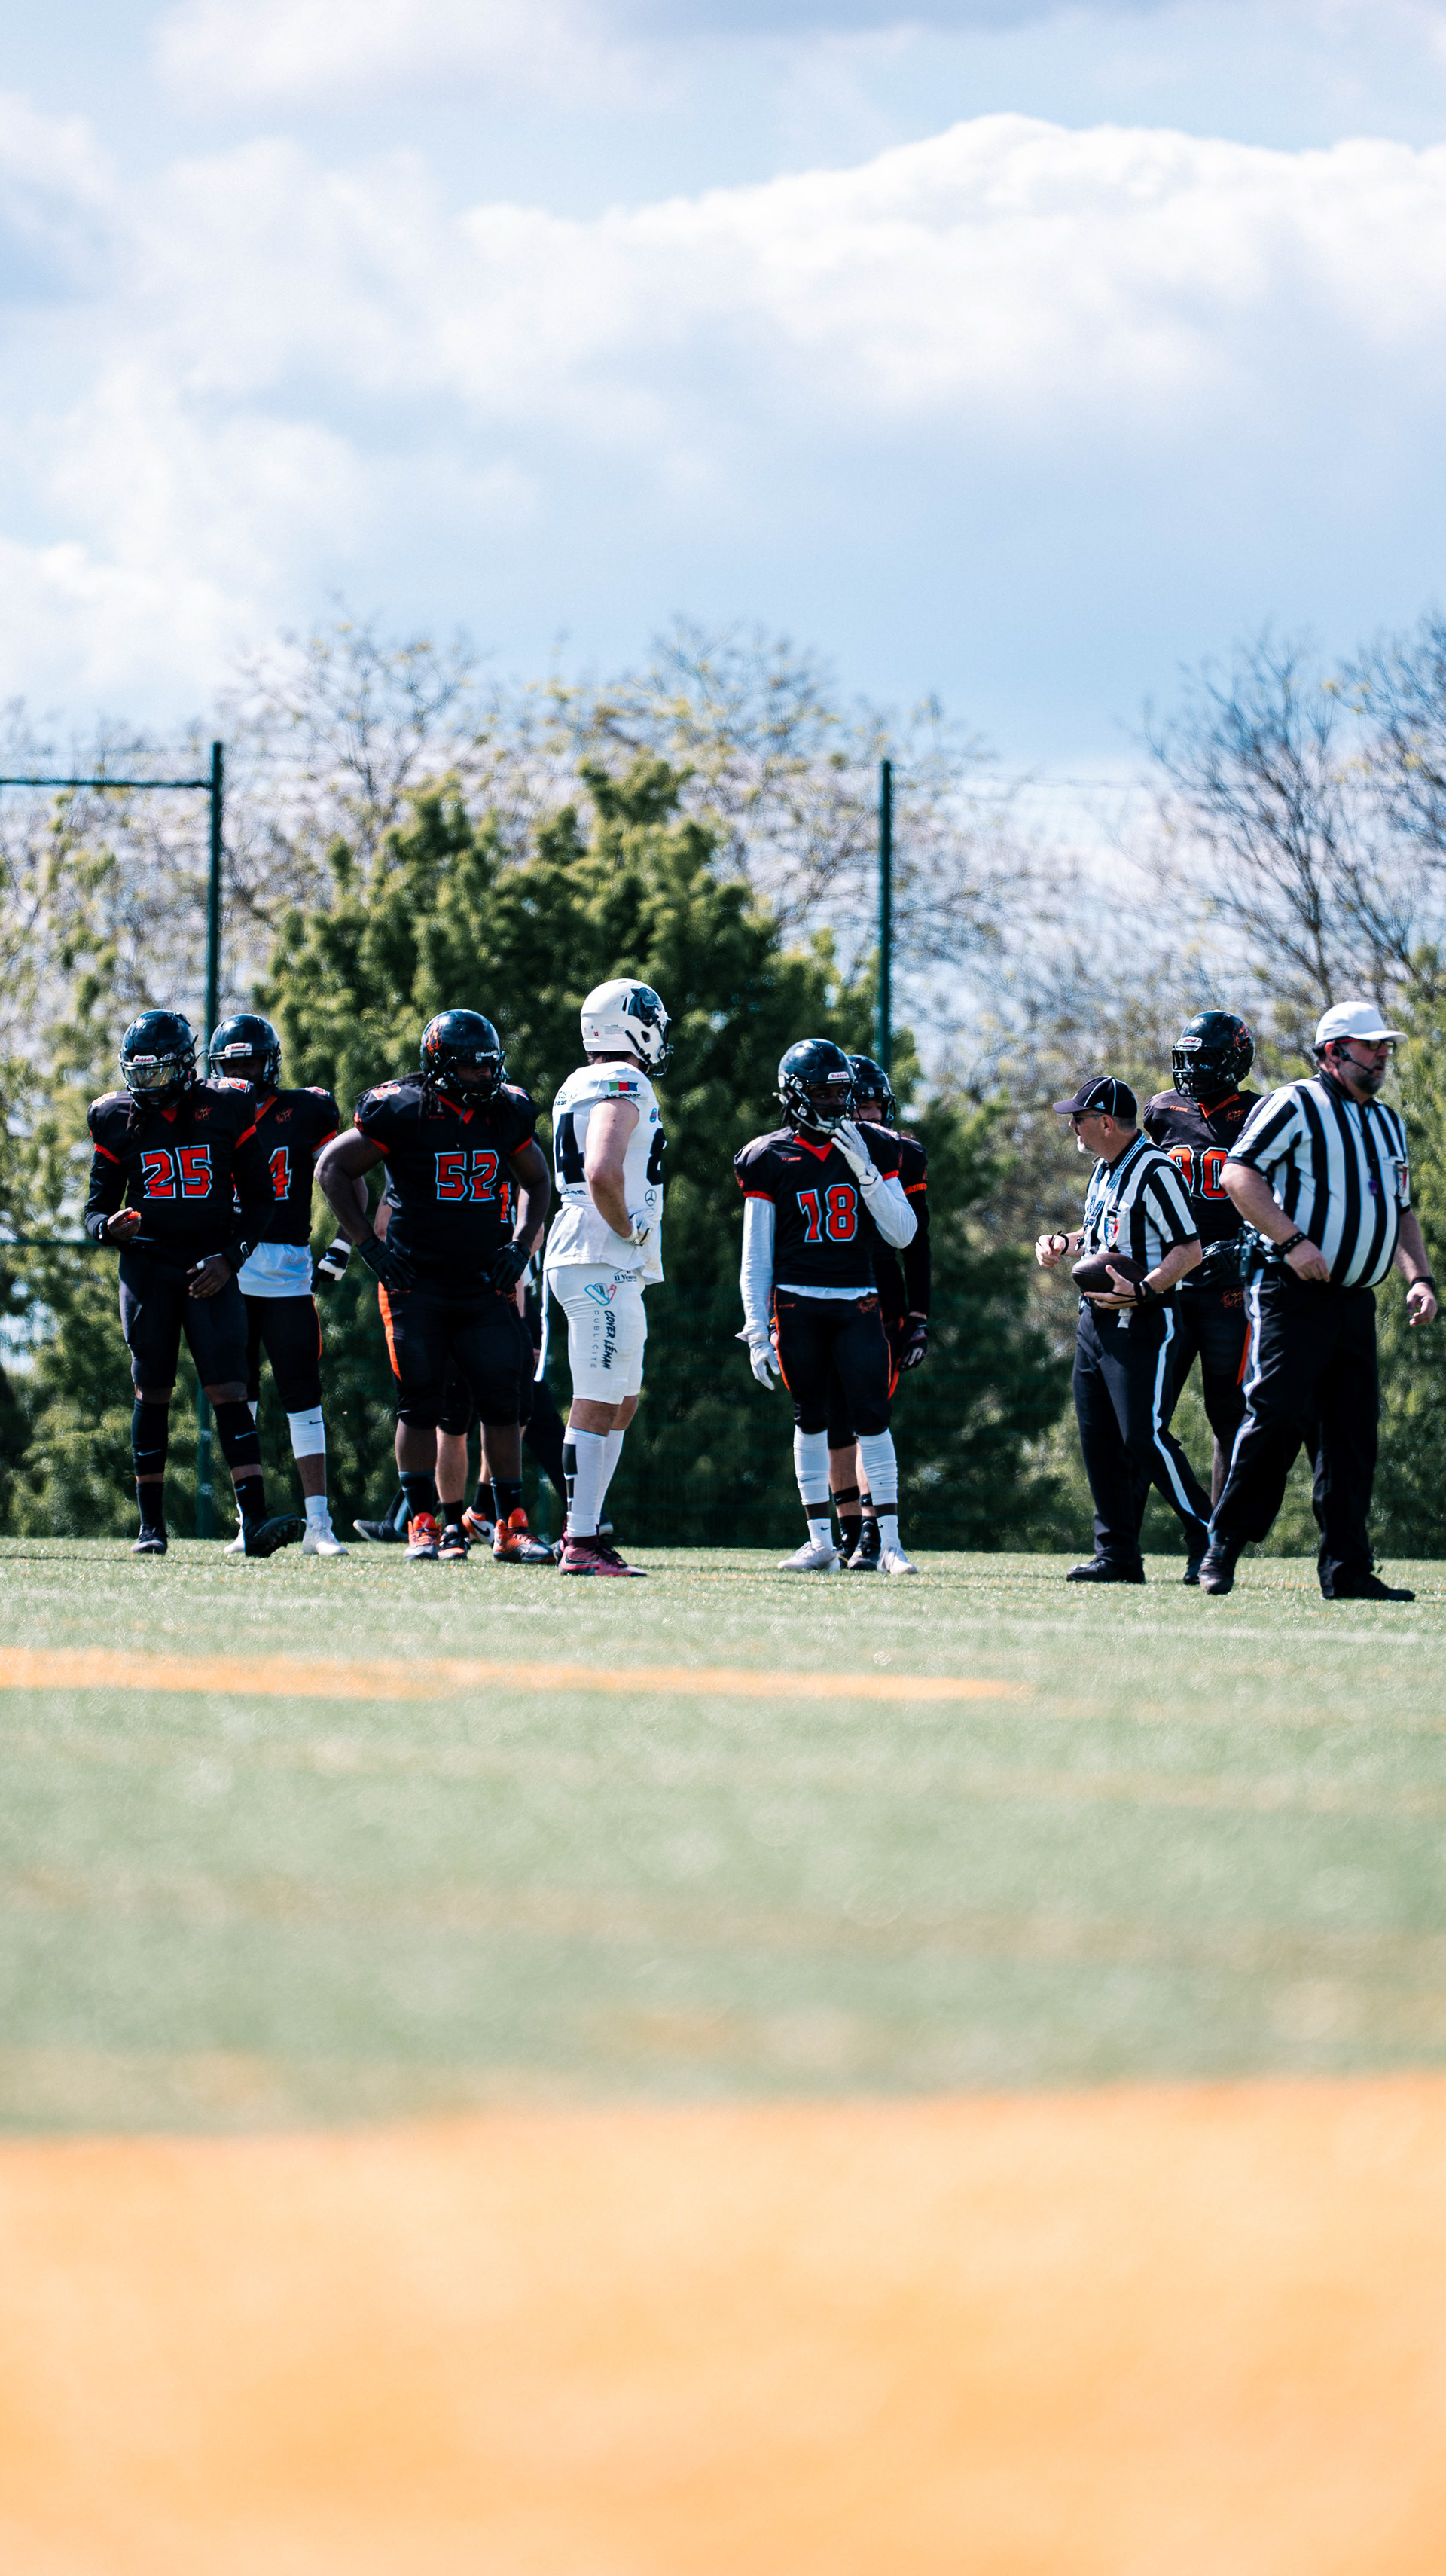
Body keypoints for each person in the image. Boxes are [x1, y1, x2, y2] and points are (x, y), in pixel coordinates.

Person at [1198, 1002, 1438, 1601]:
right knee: (1273, 1415)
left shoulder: (1387, 1122)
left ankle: (1347, 1568)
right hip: (1291, 1293)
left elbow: (1401, 1210)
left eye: (1385, 1047)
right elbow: (1239, 1175)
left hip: (1355, 1300)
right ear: (1333, 1052)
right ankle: (1223, 1544)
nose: (1382, 1056)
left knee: (1351, 1434)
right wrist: (1292, 1240)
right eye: (1370, 1046)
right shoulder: (1294, 1103)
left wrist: (1420, 1278)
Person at [314, 1009, 552, 1564]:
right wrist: (368, 1247)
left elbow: (538, 1179)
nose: (485, 1077)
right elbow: (331, 1168)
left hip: (483, 1281)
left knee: (504, 1399)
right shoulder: (401, 1108)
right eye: (472, 1068)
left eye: (489, 1066)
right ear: (441, 1066)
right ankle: (423, 1522)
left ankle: (509, 1524)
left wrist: (521, 1246)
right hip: (415, 1281)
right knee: (420, 1402)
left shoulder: (506, 1110)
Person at [84, 1010, 305, 1559]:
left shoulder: (226, 1105)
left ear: (186, 1067)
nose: (147, 1084)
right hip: (149, 1267)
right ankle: (150, 1527)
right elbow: (94, 1211)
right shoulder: (114, 1116)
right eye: (139, 1072)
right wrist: (108, 1229)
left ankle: (254, 1521)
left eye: (158, 1072)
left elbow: (262, 1200)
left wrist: (230, 1260)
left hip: (210, 1266)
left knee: (230, 1391)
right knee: (152, 1390)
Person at [736, 1039, 919, 1574]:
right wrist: (755, 1328)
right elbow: (756, 1253)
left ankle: (890, 1544)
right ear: (796, 1095)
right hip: (797, 1305)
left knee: (873, 1417)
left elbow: (903, 1234)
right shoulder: (769, 1156)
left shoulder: (875, 1146)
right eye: (823, 1093)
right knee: (810, 1419)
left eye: (841, 1093)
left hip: (857, 1300)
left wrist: (865, 1172)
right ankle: (821, 1542)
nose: (836, 1104)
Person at [1036, 1074, 1207, 1584]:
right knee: (1099, 1440)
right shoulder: (1103, 1170)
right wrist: (1064, 1243)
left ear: (1107, 1122)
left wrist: (1145, 1289)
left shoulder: (1155, 1170)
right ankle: (1117, 1555)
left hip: (1143, 1322)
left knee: (1143, 1436)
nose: (1074, 1127)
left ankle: (1208, 1534)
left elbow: (1189, 1250)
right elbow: (1102, 1234)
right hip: (1095, 1322)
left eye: (1080, 1119)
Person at [206, 1013, 352, 1558]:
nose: (242, 1073)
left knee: (303, 1397)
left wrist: (343, 1244)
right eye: (233, 1064)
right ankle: (249, 1521)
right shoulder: (206, 1114)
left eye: (251, 1062)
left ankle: (319, 1524)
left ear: (270, 1063)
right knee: (237, 1400)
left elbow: (344, 1174)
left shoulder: (306, 1110)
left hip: (288, 1270)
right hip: (227, 1271)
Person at [544, 979, 671, 1578]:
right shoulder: (624, 1080)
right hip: (601, 1252)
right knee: (597, 1399)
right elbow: (600, 1169)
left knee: (622, 1400)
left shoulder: (580, 1080)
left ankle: (587, 1528)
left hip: (598, 1255)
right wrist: (630, 1227)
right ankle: (581, 1539)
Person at [1142, 1011, 1261, 1518]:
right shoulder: (1161, 1111)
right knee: (1145, 1416)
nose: (1192, 1071)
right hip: (1169, 1284)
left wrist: (1247, 1243)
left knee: (1230, 1415)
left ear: (1235, 1062)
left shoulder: (1259, 1113)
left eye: (1206, 1060)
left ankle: (1221, 1538)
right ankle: (1128, 1541)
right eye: (1187, 1059)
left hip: (1228, 1290)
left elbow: (1282, 1196)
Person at [825, 1054, 931, 1570]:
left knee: (869, 1414)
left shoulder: (899, 1152)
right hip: (823, 1290)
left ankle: (873, 1529)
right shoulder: (812, 1151)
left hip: (880, 1295)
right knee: (830, 1419)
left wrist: (919, 1317)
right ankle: (848, 1531)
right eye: (857, 1106)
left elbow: (918, 1241)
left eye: (872, 1106)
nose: (866, 1115)